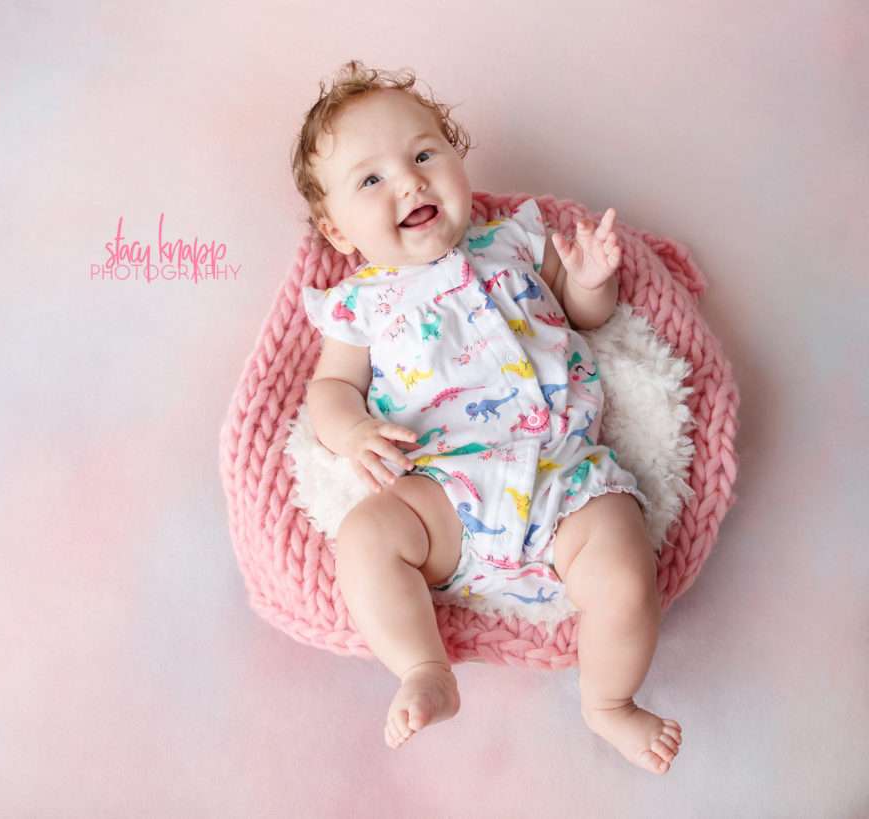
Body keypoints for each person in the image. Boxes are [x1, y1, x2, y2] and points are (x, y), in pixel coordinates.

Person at [291, 60, 682, 774]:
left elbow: (584, 316)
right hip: (444, 487)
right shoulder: (359, 302)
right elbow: (329, 390)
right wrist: (352, 432)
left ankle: (609, 701)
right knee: (365, 537)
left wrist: (592, 279)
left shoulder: (515, 242)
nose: (409, 181)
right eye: (371, 180)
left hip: (566, 479)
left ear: (455, 158)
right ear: (336, 228)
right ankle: (422, 666)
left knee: (626, 568)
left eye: (423, 154)